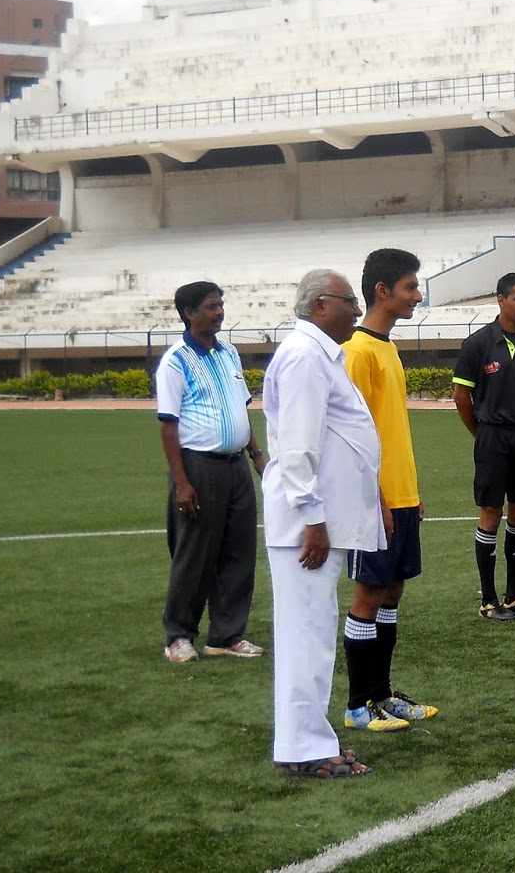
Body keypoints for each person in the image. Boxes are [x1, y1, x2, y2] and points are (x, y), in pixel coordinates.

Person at [262, 269, 382, 779]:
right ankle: (304, 748)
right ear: (318, 306)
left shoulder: (320, 355)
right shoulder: (304, 356)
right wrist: (312, 518)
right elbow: (297, 448)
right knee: (305, 637)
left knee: (313, 634)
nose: (356, 310)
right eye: (348, 301)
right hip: (307, 526)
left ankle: (309, 739)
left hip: (319, 523)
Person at [338, 249, 437, 733]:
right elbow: (349, 435)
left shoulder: (388, 348)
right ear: (382, 291)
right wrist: (373, 497)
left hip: (400, 496)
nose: (417, 296)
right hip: (372, 500)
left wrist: (408, 492)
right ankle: (358, 705)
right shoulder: (356, 352)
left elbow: (389, 429)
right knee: (369, 593)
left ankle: (382, 694)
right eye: (410, 287)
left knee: (392, 591)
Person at [156, 281, 267, 664]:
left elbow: (241, 409)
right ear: (189, 313)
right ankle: (178, 635)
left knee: (239, 552)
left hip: (236, 466)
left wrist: (256, 455)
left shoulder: (229, 353)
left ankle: (226, 635)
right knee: (195, 555)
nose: (219, 312)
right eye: (210, 306)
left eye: (220, 305)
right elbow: (168, 425)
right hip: (199, 467)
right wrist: (182, 482)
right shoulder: (175, 361)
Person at [452, 272, 515, 620]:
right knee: (491, 513)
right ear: (501, 300)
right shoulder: (478, 343)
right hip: (492, 437)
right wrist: (482, 433)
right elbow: (461, 397)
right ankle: (489, 600)